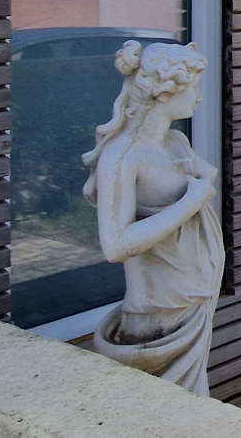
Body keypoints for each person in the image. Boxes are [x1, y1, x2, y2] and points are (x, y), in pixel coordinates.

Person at [82, 40, 222, 396]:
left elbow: (207, 174)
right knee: (167, 405)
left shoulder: (175, 141)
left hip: (194, 296)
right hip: (158, 310)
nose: (198, 98)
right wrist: (192, 199)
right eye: (193, 88)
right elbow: (116, 246)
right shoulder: (123, 158)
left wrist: (198, 183)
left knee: (195, 403)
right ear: (165, 91)